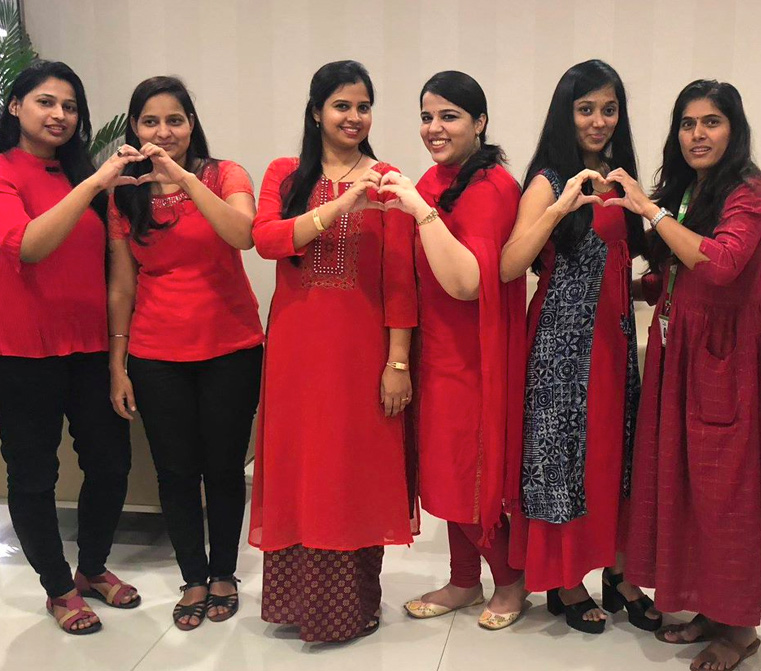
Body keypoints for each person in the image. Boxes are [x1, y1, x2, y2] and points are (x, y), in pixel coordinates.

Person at [249, 60, 417, 642]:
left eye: (363, 106)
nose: (353, 116)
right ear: (317, 111)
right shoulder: (284, 174)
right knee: (300, 465)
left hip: (359, 352)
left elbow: (400, 283)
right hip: (296, 349)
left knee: (350, 470)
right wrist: (343, 205)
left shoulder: (389, 179)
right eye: (342, 105)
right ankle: (299, 604)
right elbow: (267, 239)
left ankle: (347, 607)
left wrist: (398, 364)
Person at [500, 59, 660, 634]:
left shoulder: (620, 175)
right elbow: (510, 263)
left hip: (615, 343)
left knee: (616, 457)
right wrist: (559, 207)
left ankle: (619, 573)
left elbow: (618, 264)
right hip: (562, 345)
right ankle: (567, 581)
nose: (598, 121)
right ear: (566, 113)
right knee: (565, 459)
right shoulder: (548, 178)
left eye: (608, 109)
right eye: (585, 108)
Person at [613, 80, 761, 671]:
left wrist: (647, 210)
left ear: (734, 128)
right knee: (688, 487)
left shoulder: (746, 191)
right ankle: (708, 607)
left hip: (724, 361)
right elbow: (677, 273)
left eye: (712, 122)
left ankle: (740, 627)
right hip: (680, 357)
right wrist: (622, 289)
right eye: (687, 123)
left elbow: (721, 264)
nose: (698, 134)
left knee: (726, 494)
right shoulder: (696, 188)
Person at [108, 76, 264, 630]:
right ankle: (193, 577)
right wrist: (117, 364)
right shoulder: (123, 192)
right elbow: (122, 286)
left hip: (231, 346)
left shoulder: (226, 175)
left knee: (223, 467)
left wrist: (183, 180)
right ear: (134, 128)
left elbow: (243, 233)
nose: (163, 131)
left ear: (191, 124)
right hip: (155, 351)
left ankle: (224, 573)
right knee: (175, 472)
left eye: (175, 120)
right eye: (150, 121)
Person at [376, 71, 528, 630]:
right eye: (426, 116)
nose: (433, 128)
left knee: (468, 477)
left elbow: (466, 282)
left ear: (480, 123)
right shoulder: (434, 179)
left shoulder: (493, 187)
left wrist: (418, 209)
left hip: (476, 358)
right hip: (433, 353)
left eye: (449, 116)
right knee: (440, 474)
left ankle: (509, 582)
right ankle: (464, 579)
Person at [0, 61, 142, 635]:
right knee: (33, 476)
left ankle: (92, 568)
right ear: (15, 106)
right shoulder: (6, 173)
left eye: (71, 106)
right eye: (46, 102)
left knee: (110, 464)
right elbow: (30, 245)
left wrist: (116, 359)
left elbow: (116, 272)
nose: (60, 115)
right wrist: (95, 182)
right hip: (19, 353)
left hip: (88, 349)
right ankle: (59, 588)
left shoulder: (84, 176)